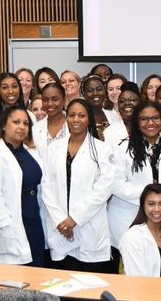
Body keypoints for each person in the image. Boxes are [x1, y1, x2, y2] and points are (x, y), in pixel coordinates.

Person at [41, 99, 118, 272]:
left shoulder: (102, 150)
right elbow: (46, 186)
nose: (76, 119)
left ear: (89, 119)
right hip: (59, 227)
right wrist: (61, 221)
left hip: (87, 225)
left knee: (88, 284)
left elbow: (103, 189)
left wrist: (74, 219)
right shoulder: (54, 148)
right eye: (72, 115)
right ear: (66, 118)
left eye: (81, 115)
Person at [109, 101, 161, 270]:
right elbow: (116, 183)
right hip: (129, 216)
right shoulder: (122, 148)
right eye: (144, 119)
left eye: (155, 118)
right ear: (136, 122)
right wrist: (149, 195)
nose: (150, 123)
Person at [0, 107, 45, 266]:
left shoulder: (32, 151)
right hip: (9, 226)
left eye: (26, 123)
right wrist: (5, 228)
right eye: (16, 122)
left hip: (34, 223)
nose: (22, 127)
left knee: (36, 278)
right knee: (14, 281)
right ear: (3, 126)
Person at [120, 184, 161, 278]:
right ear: (143, 206)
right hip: (142, 292)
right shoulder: (131, 237)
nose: (157, 209)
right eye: (151, 204)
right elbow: (137, 280)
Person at [103, 83, 141, 147]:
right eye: (122, 101)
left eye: (132, 100)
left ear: (140, 103)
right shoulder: (109, 132)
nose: (127, 103)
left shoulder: (149, 128)